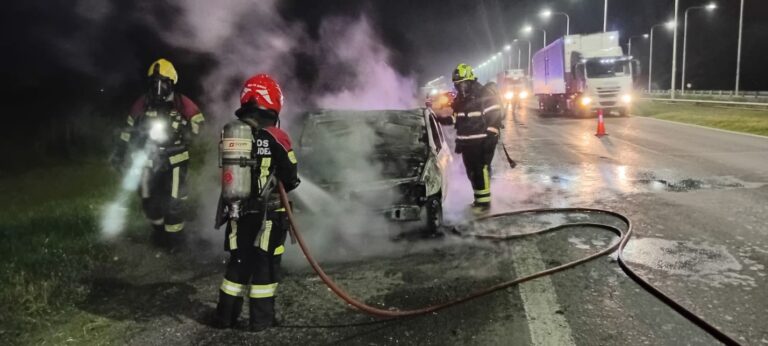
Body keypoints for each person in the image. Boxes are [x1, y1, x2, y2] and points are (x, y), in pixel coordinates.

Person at [213, 74, 300, 331]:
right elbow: (292, 177)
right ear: (273, 101)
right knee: (265, 266)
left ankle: (224, 318)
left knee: (238, 264)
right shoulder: (277, 136)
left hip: (237, 211)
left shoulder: (232, 133)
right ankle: (261, 321)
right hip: (269, 217)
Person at [111, 58, 205, 247]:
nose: (159, 88)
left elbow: (199, 123)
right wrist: (120, 152)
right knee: (149, 201)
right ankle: (159, 234)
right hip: (149, 158)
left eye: (164, 83)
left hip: (177, 158)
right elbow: (127, 129)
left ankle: (176, 240)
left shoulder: (182, 102)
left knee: (175, 201)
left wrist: (185, 128)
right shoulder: (143, 103)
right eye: (154, 83)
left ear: (172, 83)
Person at [437, 63, 502, 213]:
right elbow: (456, 120)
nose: (460, 87)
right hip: (467, 144)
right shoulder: (460, 101)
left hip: (481, 142)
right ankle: (478, 200)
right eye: (457, 84)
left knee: (481, 171)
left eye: (462, 84)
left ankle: (484, 205)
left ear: (470, 81)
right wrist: (440, 119)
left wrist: (490, 140)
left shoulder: (483, 95)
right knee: (471, 172)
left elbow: (495, 117)